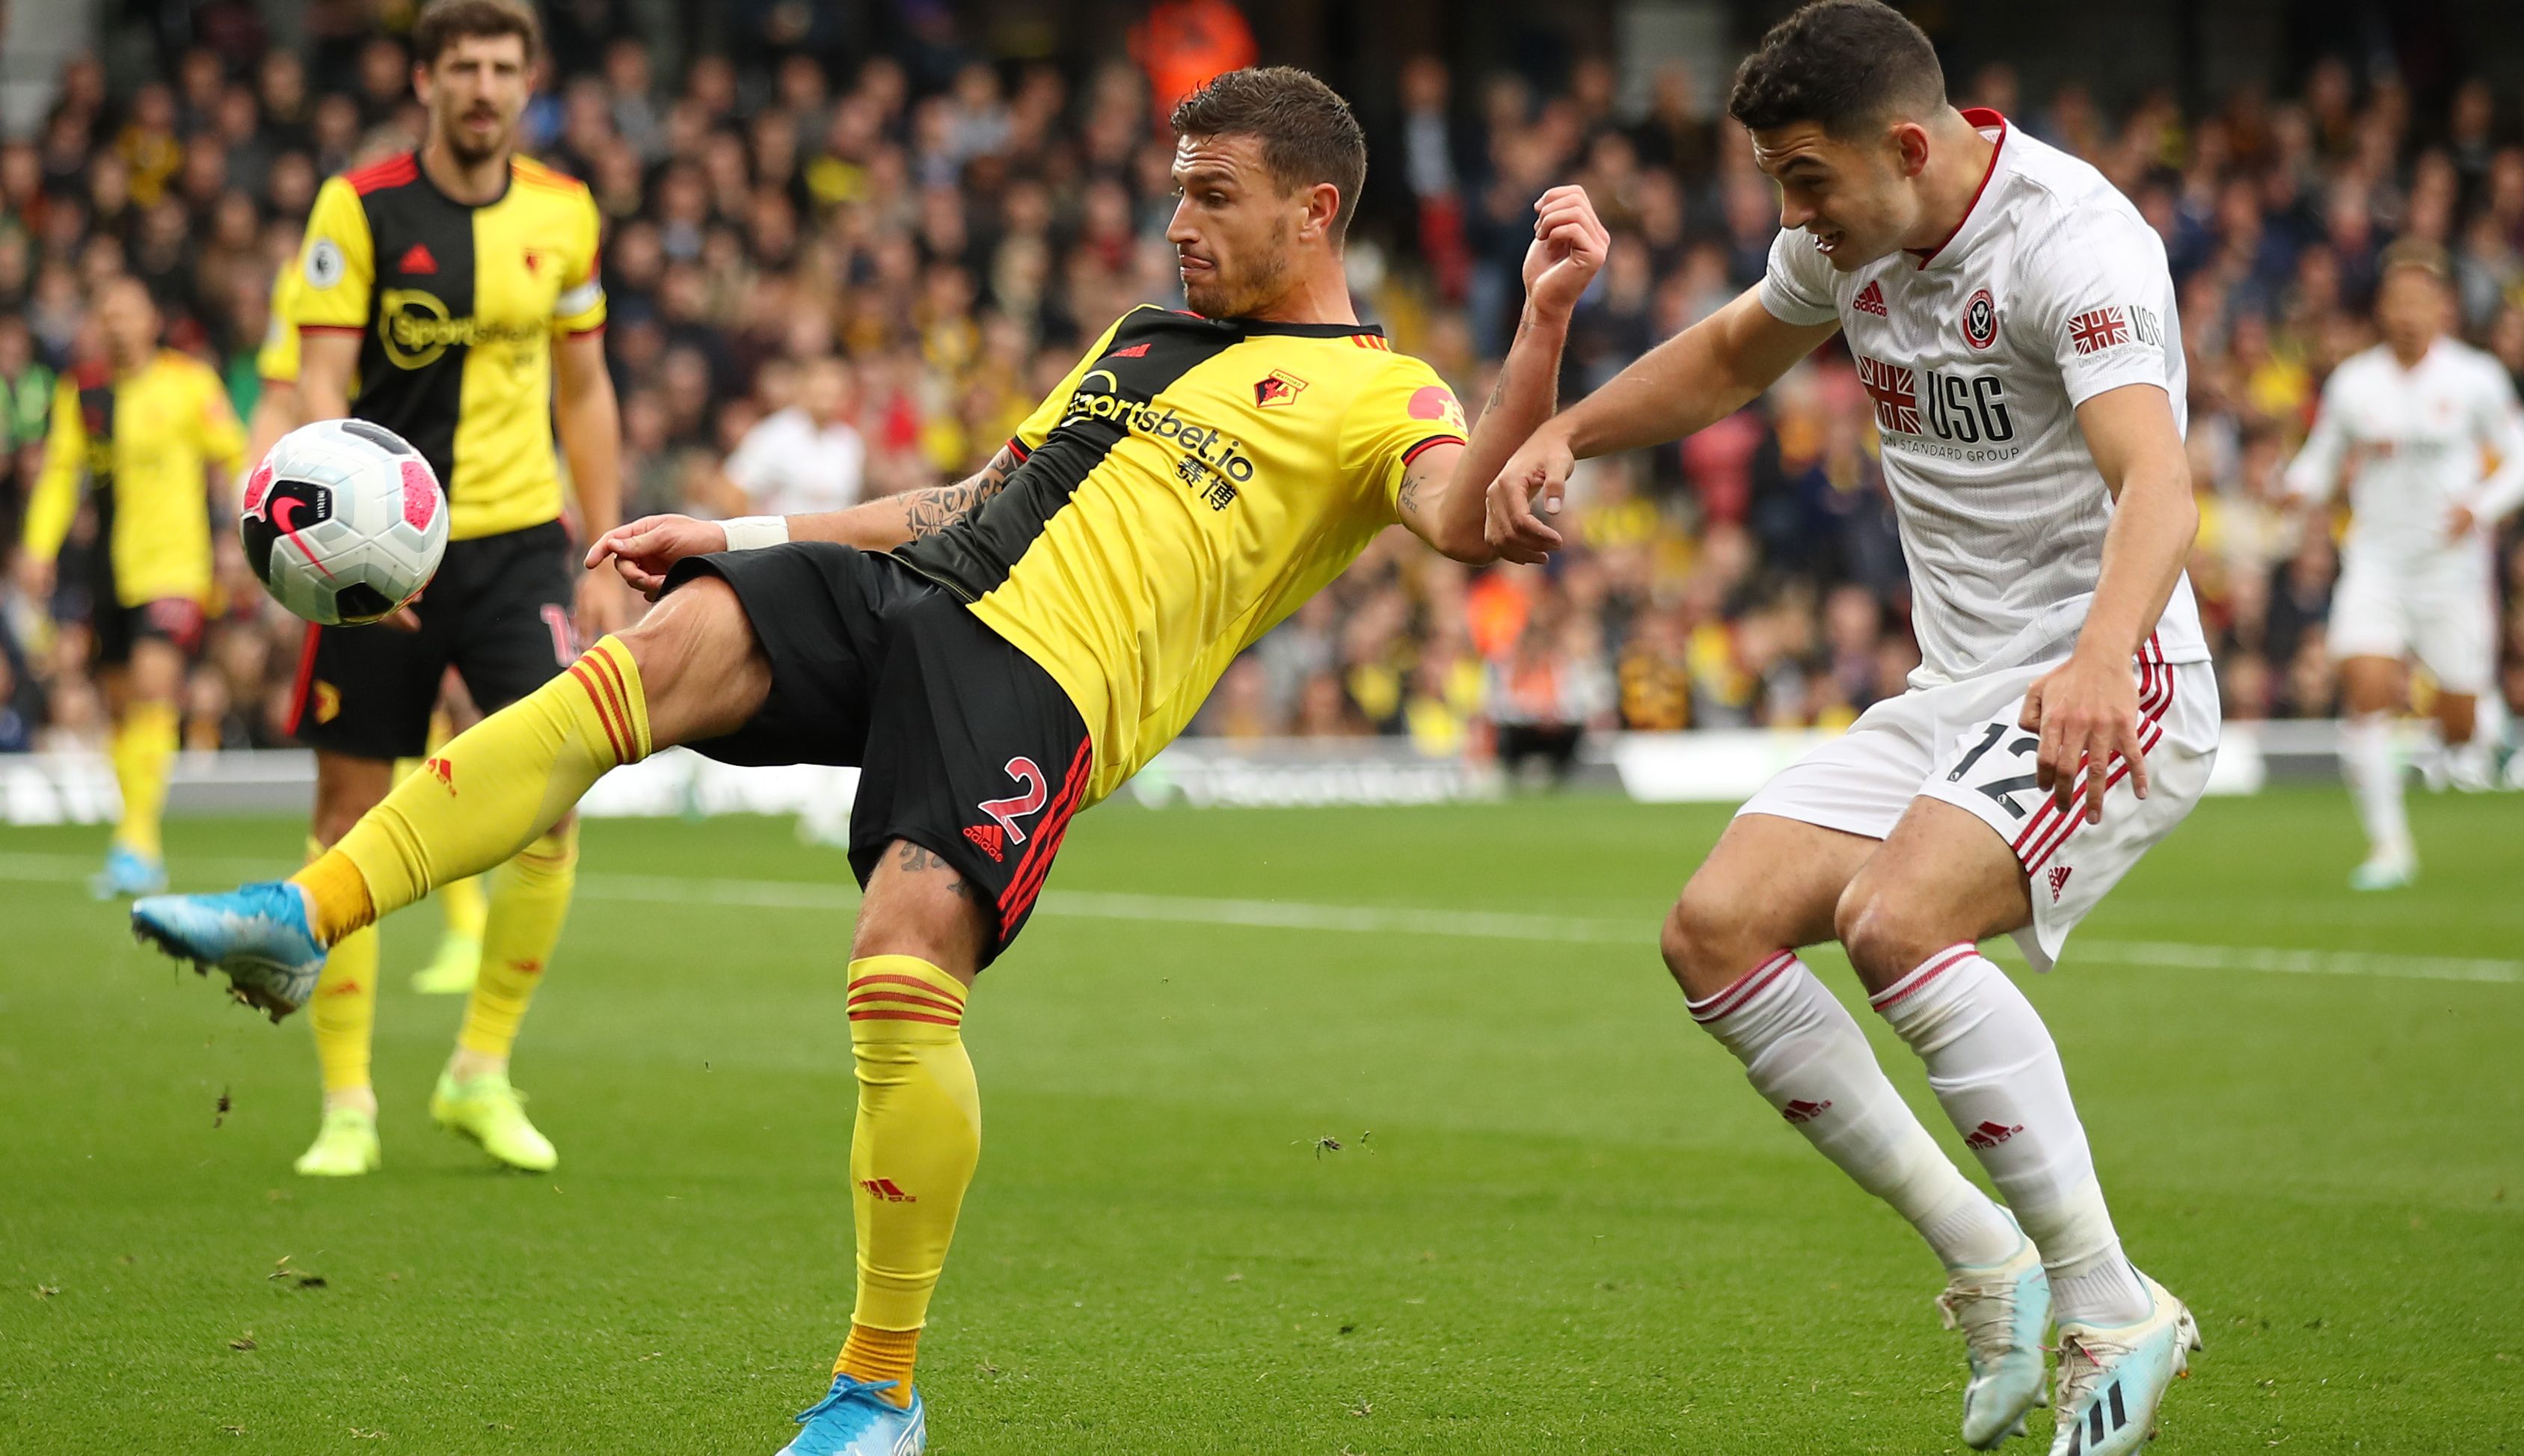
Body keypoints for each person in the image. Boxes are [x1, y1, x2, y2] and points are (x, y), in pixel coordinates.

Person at [138, 65, 1606, 1455]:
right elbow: (966, 493)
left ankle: (879, 1392)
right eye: (1176, 190)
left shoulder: (1376, 388)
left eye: (1212, 194)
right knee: (634, 665)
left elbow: (1467, 513)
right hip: (914, 593)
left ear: (1316, 212)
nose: (1178, 222)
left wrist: (1538, 329)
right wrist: (737, 534)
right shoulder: (1145, 336)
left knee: (899, 966)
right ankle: (304, 917)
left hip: (1043, 681)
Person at [1487, 4, 2211, 1452]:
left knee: (1893, 921)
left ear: (1905, 144)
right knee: (1714, 927)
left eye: (1806, 180)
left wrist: (2091, 660)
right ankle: (1987, 1260)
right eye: (1775, 181)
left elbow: (2161, 486)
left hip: (2111, 676)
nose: (1790, 214)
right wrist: (1567, 431)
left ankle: (2111, 1303)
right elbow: (1731, 354)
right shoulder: (1846, 238)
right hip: (1959, 686)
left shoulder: (2074, 242)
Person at [265, 0, 627, 1179]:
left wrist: (608, 541)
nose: (481, 86)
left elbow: (585, 389)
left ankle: (480, 1068)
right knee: (351, 810)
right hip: (378, 550)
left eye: (501, 67)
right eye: (460, 66)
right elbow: (321, 380)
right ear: (424, 78)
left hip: (521, 539)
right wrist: (340, 561)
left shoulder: (564, 211)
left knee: (555, 796)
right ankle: (347, 1100)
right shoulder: (357, 207)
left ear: (527, 82)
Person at [248, 167, 494, 1000]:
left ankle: (469, 930)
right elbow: (293, 390)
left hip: (462, 526)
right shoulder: (317, 276)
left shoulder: (514, 235)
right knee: (386, 769)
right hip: (366, 532)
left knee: (464, 733)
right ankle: (450, 931)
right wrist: (294, 522)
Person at [2281, 242, 2524, 890]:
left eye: (2419, 299)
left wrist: (2480, 506)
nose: (2406, 312)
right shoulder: (2354, 383)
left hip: (2451, 570)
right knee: (2366, 688)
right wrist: (2294, 485)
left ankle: (2483, 719)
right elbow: (2321, 459)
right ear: (2381, 308)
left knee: (2456, 726)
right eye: (2396, 299)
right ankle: (2390, 847)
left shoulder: (2476, 379)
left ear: (2442, 307)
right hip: (2376, 563)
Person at [16, 275, 244, 896]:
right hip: (109, 570)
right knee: (119, 704)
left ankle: (136, 839)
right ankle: (138, 838)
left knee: (152, 683)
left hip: (176, 566)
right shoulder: (83, 392)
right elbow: (63, 475)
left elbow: (234, 454)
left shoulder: (189, 383)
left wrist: (239, 536)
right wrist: (38, 546)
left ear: (152, 321)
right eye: (106, 312)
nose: (116, 323)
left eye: (128, 311)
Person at [722, 355, 867, 515]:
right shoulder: (773, 434)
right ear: (803, 386)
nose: (828, 395)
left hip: (835, 538)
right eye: (821, 387)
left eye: (835, 388)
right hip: (785, 538)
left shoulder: (849, 441)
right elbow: (733, 493)